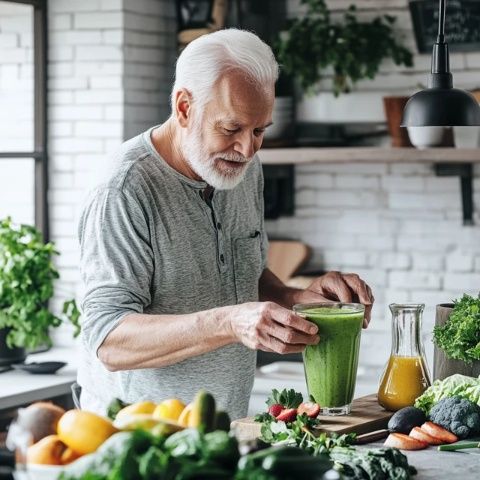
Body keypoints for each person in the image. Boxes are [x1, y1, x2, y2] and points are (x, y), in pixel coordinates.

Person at [77, 29, 374, 420]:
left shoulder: (242, 170)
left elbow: (245, 275)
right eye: (231, 128)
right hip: (141, 439)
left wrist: (296, 298)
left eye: (259, 130)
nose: (248, 149)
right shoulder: (124, 188)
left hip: (226, 428)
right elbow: (108, 340)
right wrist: (229, 321)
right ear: (184, 107)